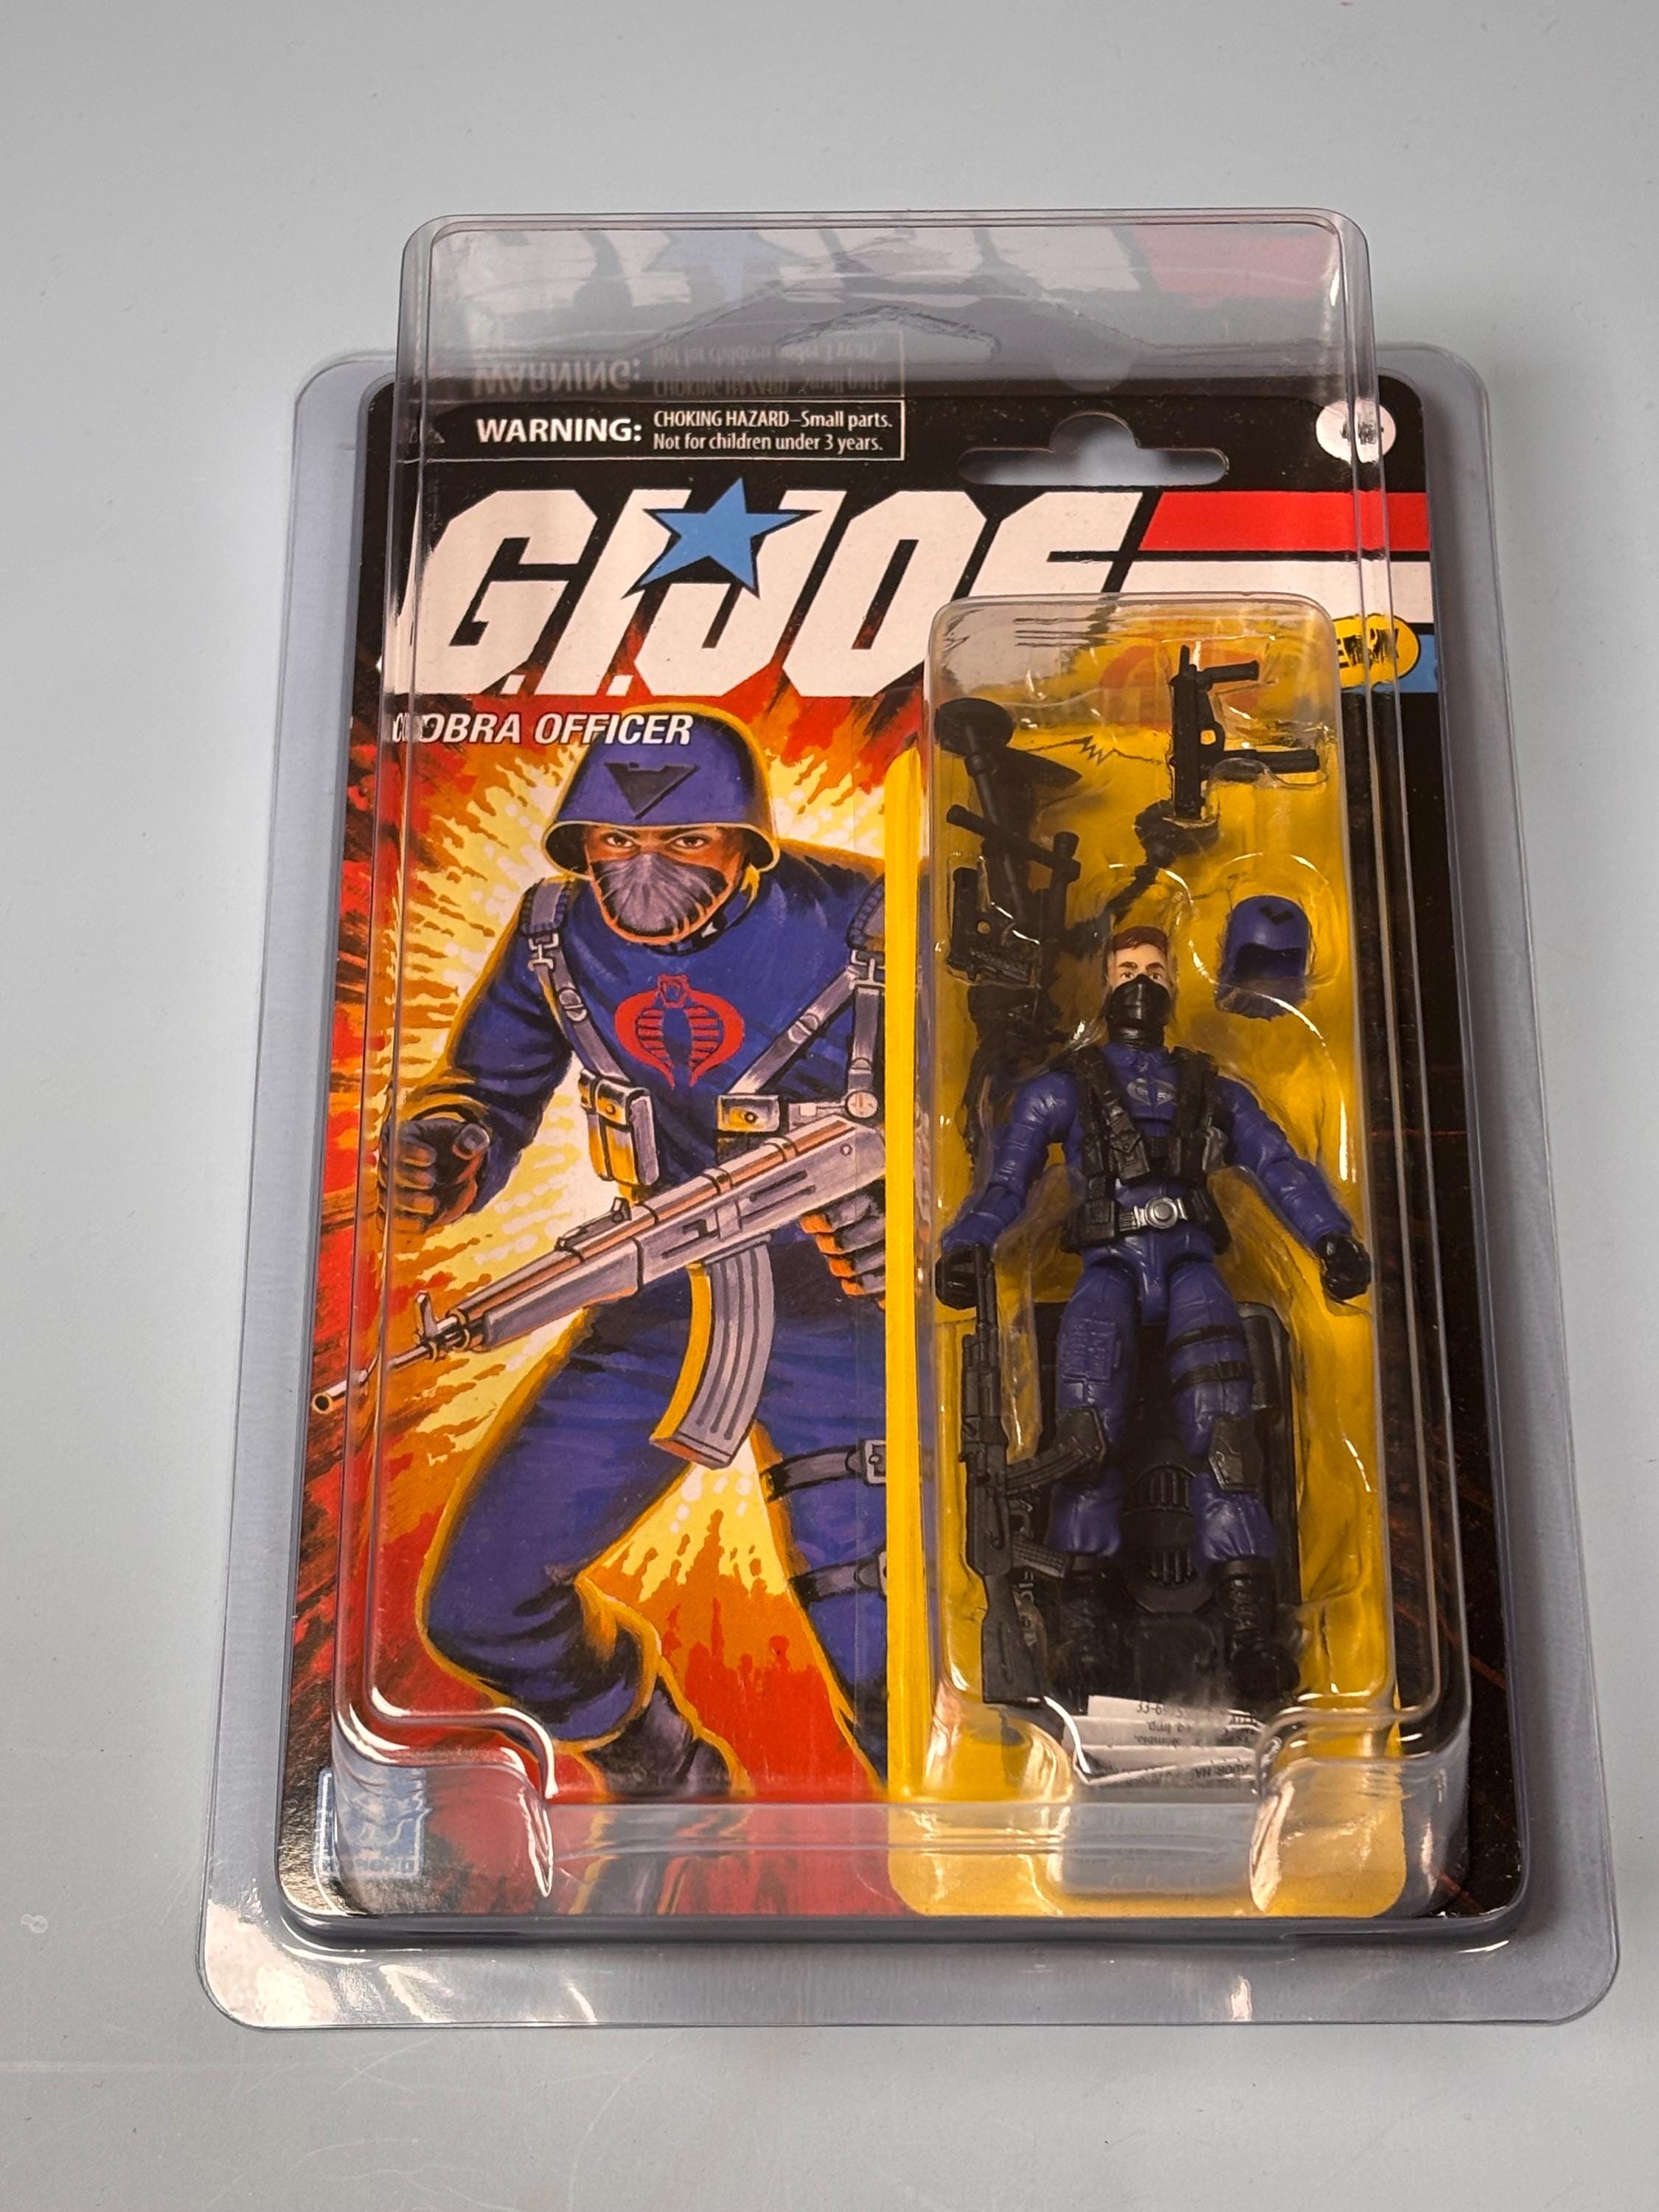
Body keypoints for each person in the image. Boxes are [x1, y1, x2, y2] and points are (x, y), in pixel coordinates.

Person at [389, 709, 887, 1796]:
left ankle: (967, 1850)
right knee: (479, 1605)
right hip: (668, 1291)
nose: (643, 868)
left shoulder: (874, 920)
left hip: (852, 1317)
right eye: (616, 842)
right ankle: (660, 1773)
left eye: (684, 839)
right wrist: (447, 1144)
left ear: (746, 842)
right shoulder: (553, 934)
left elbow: (1004, 1105)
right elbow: (485, 1090)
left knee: (893, 1662)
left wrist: (918, 1211)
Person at [936, 924, 1370, 1701]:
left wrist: (1330, 1237)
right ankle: (1087, 1625)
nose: (1141, 981)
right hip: (1106, 1269)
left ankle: (1248, 1623)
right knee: (1084, 1438)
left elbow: (1279, 1166)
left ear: (1174, 983)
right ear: (1106, 983)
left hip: (1193, 1267)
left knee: (1227, 1434)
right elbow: (1006, 1181)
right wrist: (967, 1245)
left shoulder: (1212, 1088)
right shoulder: (1062, 1087)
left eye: (1155, 970)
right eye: (1127, 968)